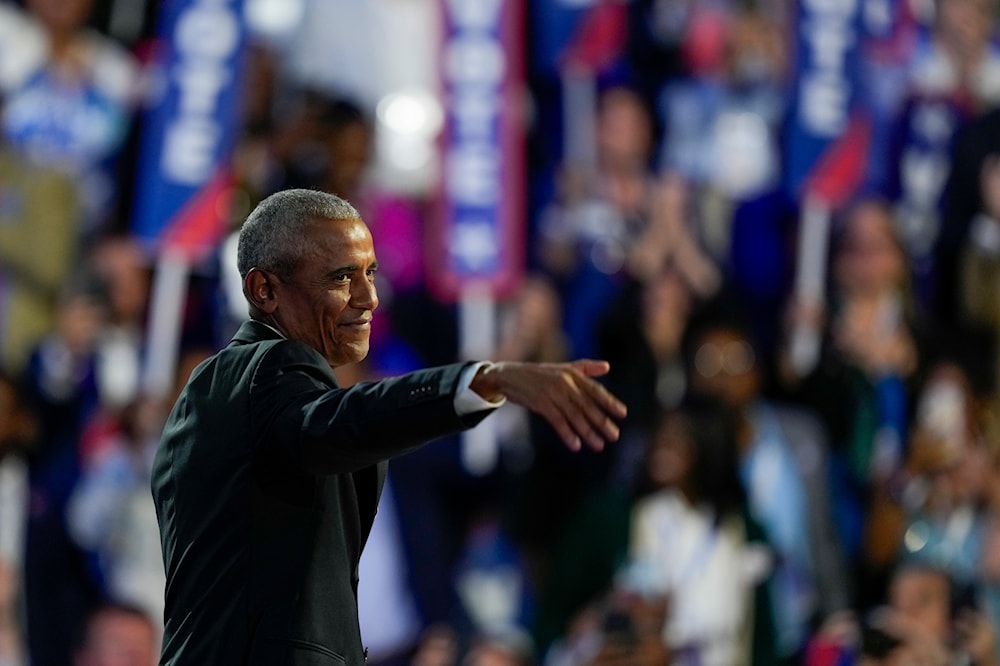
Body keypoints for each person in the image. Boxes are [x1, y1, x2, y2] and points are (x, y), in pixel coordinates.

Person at [150, 188, 627, 665]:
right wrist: (484, 379)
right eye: (339, 279)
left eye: (369, 275)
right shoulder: (239, 386)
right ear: (265, 290)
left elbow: (492, 487)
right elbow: (338, 424)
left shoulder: (396, 448)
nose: (367, 299)